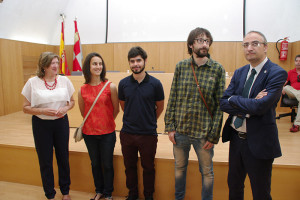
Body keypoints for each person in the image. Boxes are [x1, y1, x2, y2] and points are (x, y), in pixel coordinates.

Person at [220, 31, 287, 200]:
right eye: (245, 45)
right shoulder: (240, 72)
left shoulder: (276, 73)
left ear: (265, 47)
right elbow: (223, 102)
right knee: (234, 186)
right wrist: (248, 104)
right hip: (236, 139)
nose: (249, 48)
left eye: (254, 44)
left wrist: (234, 99)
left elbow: (261, 106)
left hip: (259, 141)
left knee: (261, 192)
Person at [164, 27, 225, 200]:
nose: (204, 44)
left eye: (207, 41)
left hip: (204, 134)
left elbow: (220, 106)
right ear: (191, 45)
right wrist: (170, 127)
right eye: (200, 40)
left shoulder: (217, 69)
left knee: (207, 172)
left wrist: (214, 135)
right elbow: (173, 97)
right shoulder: (181, 67)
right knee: (179, 168)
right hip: (181, 131)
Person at [21, 52, 75, 200]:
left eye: (57, 62)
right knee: (45, 160)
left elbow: (72, 101)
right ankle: (50, 194)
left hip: (61, 123)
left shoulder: (65, 80)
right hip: (41, 124)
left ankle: (65, 192)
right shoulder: (32, 82)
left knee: (63, 157)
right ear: (44, 65)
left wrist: (65, 108)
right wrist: (43, 110)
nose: (56, 65)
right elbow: (25, 108)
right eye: (52, 63)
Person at [118, 46, 164, 200]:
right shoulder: (123, 84)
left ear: (145, 61)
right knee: (129, 167)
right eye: (132, 61)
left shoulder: (156, 84)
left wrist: (148, 120)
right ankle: (132, 194)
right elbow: (124, 106)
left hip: (148, 134)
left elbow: (160, 106)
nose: (135, 64)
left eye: (138, 60)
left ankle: (148, 196)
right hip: (127, 134)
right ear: (129, 63)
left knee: (149, 168)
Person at [78, 52, 119, 200]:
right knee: (95, 164)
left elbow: (116, 109)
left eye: (100, 64)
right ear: (88, 67)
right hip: (89, 134)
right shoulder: (82, 89)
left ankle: (108, 193)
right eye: (95, 64)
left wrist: (106, 121)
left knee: (107, 164)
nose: (98, 66)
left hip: (108, 133)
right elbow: (84, 112)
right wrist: (94, 122)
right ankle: (99, 191)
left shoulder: (110, 86)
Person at [282, 54, 300, 132]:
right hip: (292, 92)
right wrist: (281, 88)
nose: (298, 63)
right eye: (296, 61)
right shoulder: (290, 72)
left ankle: (297, 124)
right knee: (286, 87)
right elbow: (284, 83)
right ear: (294, 62)